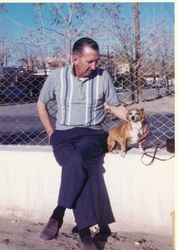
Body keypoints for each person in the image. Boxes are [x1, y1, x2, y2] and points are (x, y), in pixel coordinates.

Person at [37, 37, 148, 250]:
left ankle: (61, 215)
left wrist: (136, 122)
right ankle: (83, 229)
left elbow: (115, 106)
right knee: (77, 164)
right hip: (63, 135)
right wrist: (51, 132)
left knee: (79, 160)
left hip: (92, 135)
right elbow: (41, 103)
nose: (94, 66)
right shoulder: (57, 77)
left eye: (96, 61)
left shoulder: (103, 76)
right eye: (89, 61)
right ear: (75, 58)